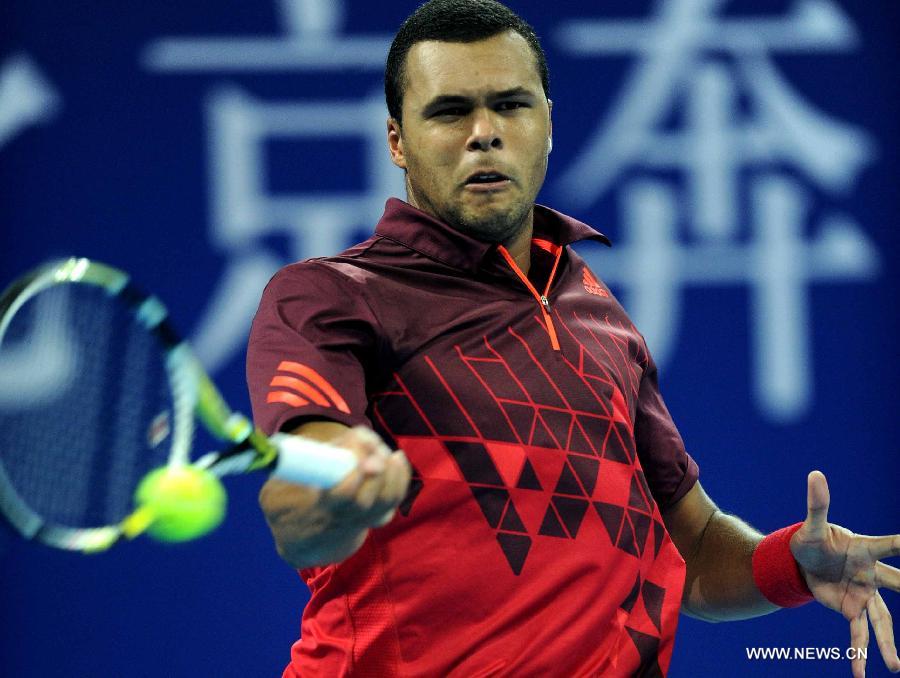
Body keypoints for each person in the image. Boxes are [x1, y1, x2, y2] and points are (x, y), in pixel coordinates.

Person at [246, 1, 900, 675]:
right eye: (448, 112)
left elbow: (692, 546)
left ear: (548, 123)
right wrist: (340, 489)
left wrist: (789, 561)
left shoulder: (595, 310)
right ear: (397, 140)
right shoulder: (330, 295)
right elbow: (299, 494)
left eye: (510, 105)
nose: (484, 134)